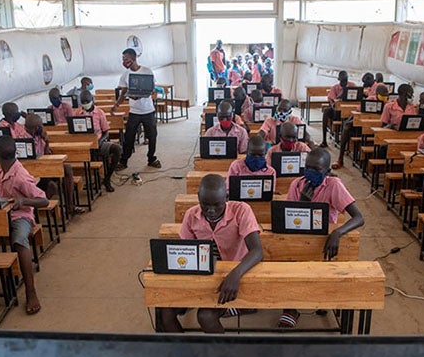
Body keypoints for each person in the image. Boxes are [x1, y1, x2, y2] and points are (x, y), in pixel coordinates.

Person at [159, 174, 263, 333]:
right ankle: (181, 352)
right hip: (203, 274)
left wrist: (235, 274)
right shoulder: (191, 215)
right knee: (164, 311)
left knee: (205, 316)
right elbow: (186, 251)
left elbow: (257, 251)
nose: (211, 211)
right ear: (198, 197)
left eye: (217, 205)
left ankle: (222, 354)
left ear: (226, 198)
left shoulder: (241, 210)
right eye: (205, 204)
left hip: (235, 274)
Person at [280, 148, 365, 328]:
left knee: (323, 266)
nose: (310, 173)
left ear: (326, 171)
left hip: (323, 239)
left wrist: (337, 232)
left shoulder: (334, 185)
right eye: (307, 168)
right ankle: (290, 308)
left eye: (316, 169)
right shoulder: (296, 184)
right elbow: (289, 218)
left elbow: (359, 218)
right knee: (286, 263)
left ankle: (320, 298)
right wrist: (303, 202)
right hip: (298, 237)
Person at [0, 136, 48, 315]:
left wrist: (23, 201)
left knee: (20, 240)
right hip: (0, 213)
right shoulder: (0, 169)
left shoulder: (20, 176)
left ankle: (31, 291)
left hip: (19, 216)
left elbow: (43, 200)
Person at [23, 114, 84, 215]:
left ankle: (70, 206)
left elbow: (47, 154)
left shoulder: (39, 136)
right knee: (52, 186)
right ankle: (37, 210)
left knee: (67, 168)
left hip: (44, 167)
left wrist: (46, 142)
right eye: (41, 126)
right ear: (36, 128)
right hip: (32, 172)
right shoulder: (23, 140)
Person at [112, 48, 161, 169]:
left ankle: (151, 158)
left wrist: (142, 94)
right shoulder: (125, 75)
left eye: (126, 59)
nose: (124, 61)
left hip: (148, 110)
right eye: (123, 59)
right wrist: (116, 105)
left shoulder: (147, 71)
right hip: (134, 111)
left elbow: (152, 89)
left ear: (134, 59)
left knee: (152, 136)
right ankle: (124, 161)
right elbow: (123, 92)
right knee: (129, 137)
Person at [78, 90, 122, 192]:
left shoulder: (99, 112)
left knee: (117, 149)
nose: (85, 104)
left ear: (92, 100)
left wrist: (100, 141)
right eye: (83, 103)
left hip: (98, 142)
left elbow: (106, 132)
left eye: (87, 102)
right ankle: (95, 178)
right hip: (84, 144)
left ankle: (107, 178)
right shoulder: (78, 113)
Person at [334, 72, 375, 169]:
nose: (365, 85)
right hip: (367, 117)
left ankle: (341, 157)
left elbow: (361, 106)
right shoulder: (373, 90)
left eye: (365, 82)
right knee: (349, 122)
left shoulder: (375, 92)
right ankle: (343, 155)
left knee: (348, 125)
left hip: (368, 117)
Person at [320, 71, 355, 148]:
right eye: (342, 81)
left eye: (345, 80)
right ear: (339, 80)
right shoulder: (335, 88)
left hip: (349, 112)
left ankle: (346, 142)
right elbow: (332, 100)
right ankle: (324, 140)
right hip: (337, 112)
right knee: (326, 111)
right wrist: (342, 94)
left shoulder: (352, 86)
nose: (344, 82)